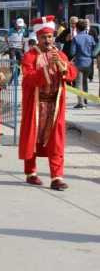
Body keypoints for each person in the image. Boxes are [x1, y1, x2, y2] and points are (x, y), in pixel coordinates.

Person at [19, 16, 77, 191]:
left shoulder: (59, 54)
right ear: (38, 37)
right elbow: (28, 79)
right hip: (37, 105)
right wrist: (45, 68)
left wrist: (63, 67)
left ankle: (56, 177)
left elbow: (72, 74)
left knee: (56, 140)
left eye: (50, 37)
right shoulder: (30, 56)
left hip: (55, 106)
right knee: (33, 138)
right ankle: (31, 172)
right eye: (44, 37)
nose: (48, 40)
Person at [70, 19, 95, 109]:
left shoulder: (76, 38)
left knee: (79, 83)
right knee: (85, 82)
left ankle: (80, 103)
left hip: (79, 62)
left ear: (77, 28)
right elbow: (94, 49)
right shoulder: (90, 37)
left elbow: (72, 52)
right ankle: (85, 100)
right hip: (89, 62)